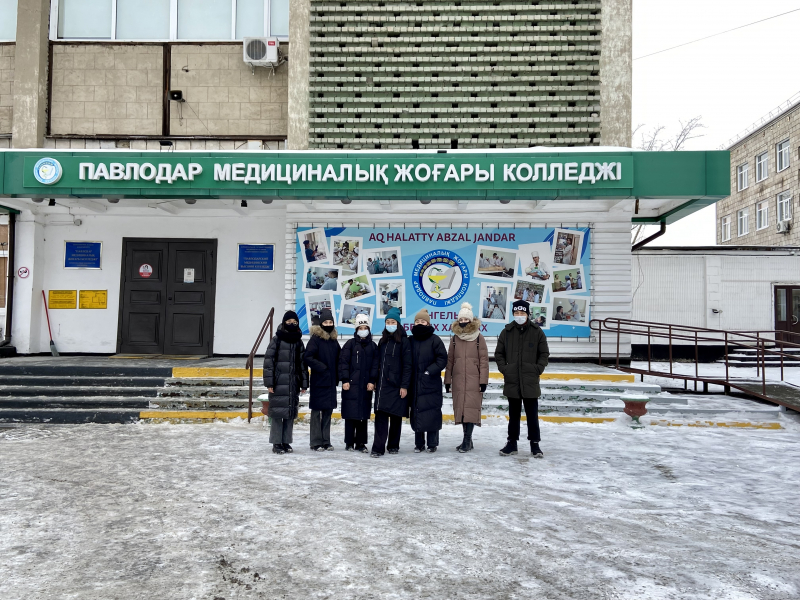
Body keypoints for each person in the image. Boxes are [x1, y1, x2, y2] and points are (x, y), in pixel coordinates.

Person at [494, 299, 549, 458]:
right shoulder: (507, 332)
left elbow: (544, 353)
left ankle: (535, 444)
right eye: (516, 313)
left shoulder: (537, 331)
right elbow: (499, 354)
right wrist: (505, 369)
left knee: (532, 415)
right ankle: (512, 443)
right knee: (514, 415)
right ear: (513, 314)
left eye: (522, 313)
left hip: (530, 380)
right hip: (512, 380)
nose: (519, 315)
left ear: (528, 314)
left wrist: (537, 369)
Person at [445, 302, 489, 453]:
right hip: (458, 380)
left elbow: (484, 361)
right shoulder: (455, 339)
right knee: (462, 411)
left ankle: (466, 440)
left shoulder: (479, 338)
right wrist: (447, 380)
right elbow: (450, 360)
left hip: (474, 380)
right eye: (461, 320)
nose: (463, 322)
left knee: (470, 410)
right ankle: (468, 440)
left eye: (466, 319)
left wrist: (483, 381)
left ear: (471, 320)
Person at [263, 311, 308, 455]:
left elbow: (302, 364)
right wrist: (269, 382)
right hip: (278, 383)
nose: (291, 323)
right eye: (288, 321)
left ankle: (286, 442)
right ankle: (276, 442)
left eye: (294, 321)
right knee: (277, 414)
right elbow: (268, 362)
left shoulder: (298, 341)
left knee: (289, 413)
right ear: (284, 322)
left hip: (293, 384)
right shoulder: (277, 339)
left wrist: (304, 383)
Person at [371, 307, 412, 457]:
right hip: (382, 385)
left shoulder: (405, 342)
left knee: (395, 417)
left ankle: (393, 445)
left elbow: (408, 366)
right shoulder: (382, 341)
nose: (390, 324)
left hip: (397, 385)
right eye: (387, 321)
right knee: (381, 417)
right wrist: (374, 380)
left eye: (392, 321)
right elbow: (377, 363)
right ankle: (377, 448)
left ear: (398, 324)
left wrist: (404, 386)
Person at [408, 309, 448, 453]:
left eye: (422, 321)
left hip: (430, 383)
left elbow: (442, 358)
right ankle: (419, 444)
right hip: (415, 383)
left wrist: (429, 371)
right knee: (417, 412)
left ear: (428, 323)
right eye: (417, 321)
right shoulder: (410, 340)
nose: (420, 324)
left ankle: (432, 443)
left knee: (432, 413)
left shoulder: (435, 339)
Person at [339, 313, 379, 452]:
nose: (363, 330)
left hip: (365, 386)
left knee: (363, 415)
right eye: (360, 327)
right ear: (356, 329)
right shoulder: (350, 344)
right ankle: (349, 442)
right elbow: (343, 363)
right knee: (350, 415)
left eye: (365, 327)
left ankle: (361, 443)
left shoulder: (373, 346)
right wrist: (344, 379)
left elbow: (375, 365)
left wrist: (372, 381)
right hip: (350, 385)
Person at [304, 309, 341, 451]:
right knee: (316, 412)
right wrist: (322, 367)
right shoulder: (315, 339)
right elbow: (308, 357)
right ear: (321, 324)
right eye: (326, 322)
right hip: (319, 381)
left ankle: (326, 441)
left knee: (328, 412)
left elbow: (339, 357)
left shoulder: (333, 340)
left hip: (331, 382)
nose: (328, 324)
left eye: (330, 322)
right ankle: (315, 442)